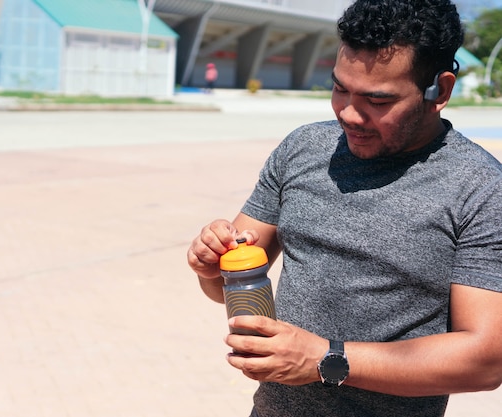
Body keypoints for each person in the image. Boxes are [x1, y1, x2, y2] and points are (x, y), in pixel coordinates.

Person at [186, 0, 502, 416]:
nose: (349, 114)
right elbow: (228, 286)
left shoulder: (480, 188)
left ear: (439, 91)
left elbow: (485, 361)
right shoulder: (302, 148)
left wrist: (326, 359)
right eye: (339, 88)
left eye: (378, 99)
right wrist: (212, 266)